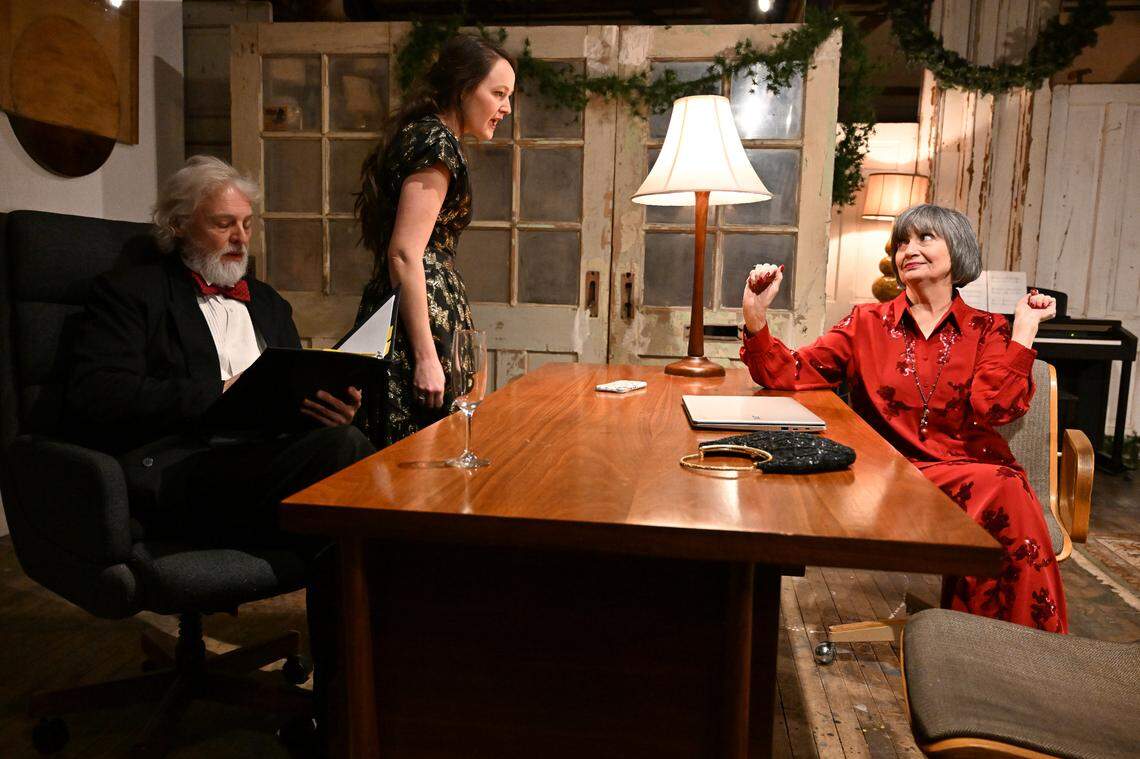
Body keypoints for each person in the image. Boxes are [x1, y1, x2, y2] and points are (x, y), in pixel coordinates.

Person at [65, 155, 375, 745]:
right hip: (178, 472)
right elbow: (95, 395)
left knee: (348, 446)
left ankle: (359, 682)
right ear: (179, 226)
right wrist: (217, 393)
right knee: (344, 472)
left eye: (248, 224)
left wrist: (328, 407)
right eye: (222, 224)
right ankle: (345, 701)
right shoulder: (130, 293)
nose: (240, 238)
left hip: (259, 465)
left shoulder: (269, 304)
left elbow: (290, 392)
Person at [740, 204, 1068, 633]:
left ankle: (1003, 649)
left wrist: (1024, 329)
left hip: (970, 473)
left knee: (1003, 488)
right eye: (901, 243)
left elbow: (997, 407)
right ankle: (985, 643)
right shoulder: (866, 322)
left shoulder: (989, 329)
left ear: (959, 249)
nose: (908, 250)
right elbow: (790, 374)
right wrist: (755, 314)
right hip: (888, 475)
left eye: (925, 238)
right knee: (1004, 490)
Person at [353, 33, 515, 446]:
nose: (506, 108)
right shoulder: (435, 141)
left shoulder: (426, 135)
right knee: (422, 453)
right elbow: (405, 252)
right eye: (498, 93)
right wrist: (427, 356)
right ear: (463, 89)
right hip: (415, 318)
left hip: (416, 309)